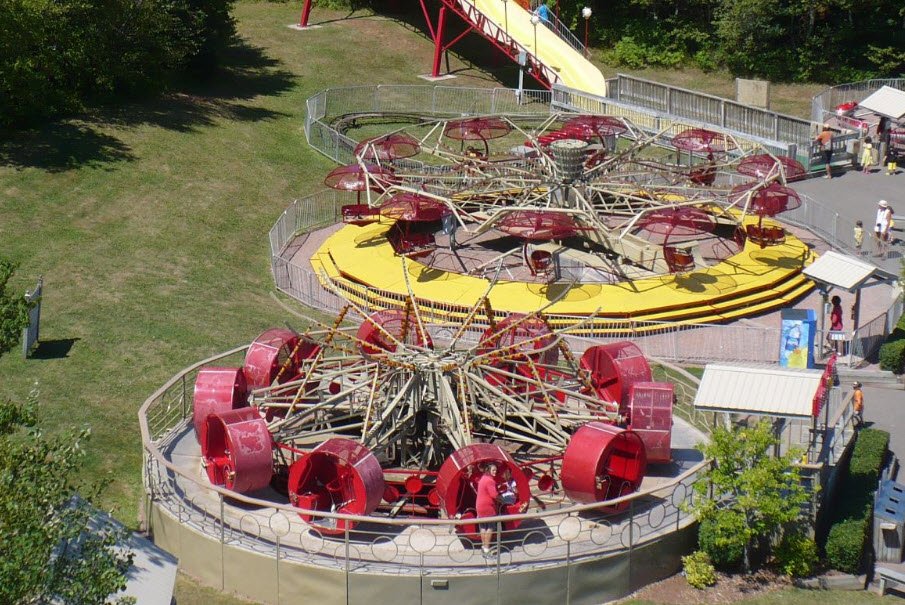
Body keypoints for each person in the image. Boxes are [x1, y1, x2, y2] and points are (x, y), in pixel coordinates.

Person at [476, 462, 502, 557]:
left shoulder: (483, 479)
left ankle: (484, 547)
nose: (495, 472)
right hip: (488, 507)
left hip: (479, 506)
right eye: (493, 470)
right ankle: (487, 549)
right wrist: (502, 499)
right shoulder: (490, 481)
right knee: (490, 527)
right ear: (489, 470)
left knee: (483, 527)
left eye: (496, 470)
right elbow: (494, 495)